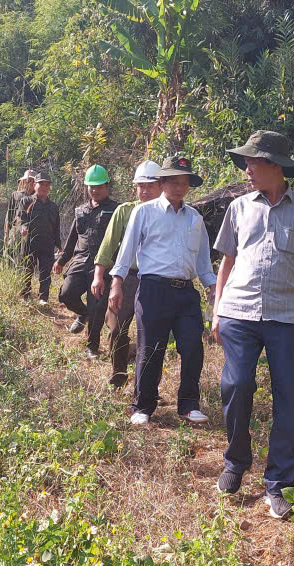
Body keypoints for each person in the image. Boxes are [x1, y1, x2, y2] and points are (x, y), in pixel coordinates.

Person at [210, 130, 294, 520]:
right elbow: (226, 260)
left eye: (253, 162)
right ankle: (235, 461)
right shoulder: (239, 208)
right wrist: (217, 310)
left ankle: (279, 483)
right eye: (245, 162)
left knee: (289, 399)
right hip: (239, 312)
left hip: (289, 317)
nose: (246, 169)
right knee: (236, 383)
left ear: (276, 168)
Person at [109, 156, 216, 426]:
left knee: (193, 346)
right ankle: (142, 406)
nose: (179, 188)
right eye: (174, 182)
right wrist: (117, 282)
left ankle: (189, 405)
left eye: (184, 183)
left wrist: (213, 287)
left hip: (186, 292)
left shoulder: (195, 218)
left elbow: (203, 261)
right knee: (151, 348)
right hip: (153, 290)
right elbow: (127, 250)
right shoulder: (144, 212)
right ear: (163, 183)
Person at [91, 160, 162, 388]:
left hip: (155, 280)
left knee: (151, 334)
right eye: (140, 185)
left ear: (161, 186)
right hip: (127, 278)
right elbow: (108, 245)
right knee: (116, 327)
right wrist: (99, 275)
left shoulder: (167, 211)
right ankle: (118, 373)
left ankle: (148, 385)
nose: (145, 191)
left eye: (150, 185)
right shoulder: (125, 211)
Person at [54, 165, 119, 359]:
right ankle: (83, 314)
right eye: (91, 186)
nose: (95, 190)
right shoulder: (80, 210)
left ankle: (92, 346)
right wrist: (62, 260)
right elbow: (73, 238)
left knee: (97, 307)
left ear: (107, 186)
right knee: (66, 294)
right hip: (80, 261)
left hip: (103, 265)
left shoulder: (115, 210)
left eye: (99, 186)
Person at [17, 173, 61, 305]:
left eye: (47, 185)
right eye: (41, 184)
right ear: (34, 185)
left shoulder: (53, 207)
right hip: (30, 242)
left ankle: (43, 298)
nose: (44, 187)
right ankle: (25, 295)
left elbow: (56, 227)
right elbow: (20, 218)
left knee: (45, 271)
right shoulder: (26, 201)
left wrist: (59, 245)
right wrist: (23, 228)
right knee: (27, 269)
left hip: (47, 243)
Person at [6, 169, 37, 297]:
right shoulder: (16, 195)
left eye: (32, 180)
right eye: (27, 180)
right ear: (23, 181)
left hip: (31, 232)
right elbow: (10, 215)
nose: (29, 183)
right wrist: (7, 233)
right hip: (16, 231)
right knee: (11, 256)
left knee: (27, 261)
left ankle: (26, 290)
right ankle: (13, 286)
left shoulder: (38, 197)